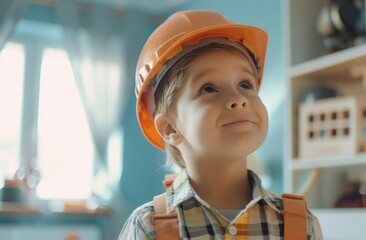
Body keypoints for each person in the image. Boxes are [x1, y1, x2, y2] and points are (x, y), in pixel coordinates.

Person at [118, 10, 323, 239]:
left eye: (245, 84)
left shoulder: (299, 223)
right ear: (170, 128)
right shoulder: (148, 227)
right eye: (209, 88)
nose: (238, 99)